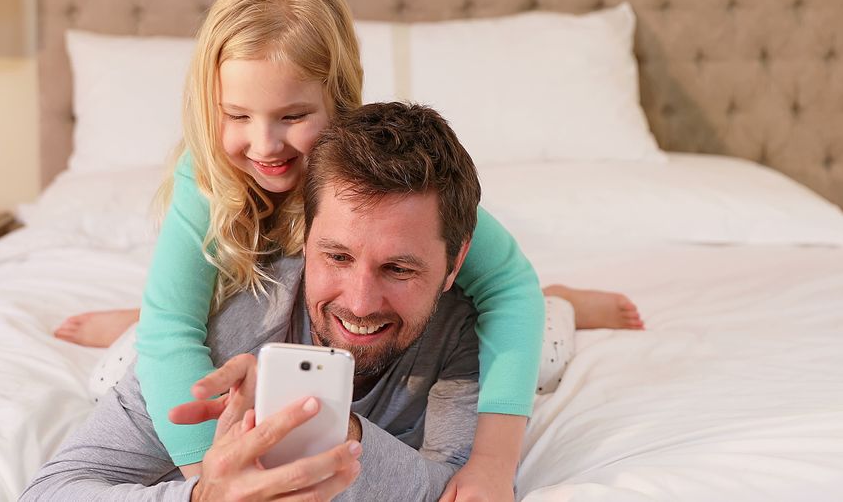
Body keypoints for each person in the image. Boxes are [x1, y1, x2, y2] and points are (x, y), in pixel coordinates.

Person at [52, 0, 643, 500]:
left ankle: (560, 302)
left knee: (530, 337)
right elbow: (170, 332)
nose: (265, 146)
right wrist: (213, 476)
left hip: (452, 294)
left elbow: (508, 285)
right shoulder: (208, 179)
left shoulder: (386, 187)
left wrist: (493, 461)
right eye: (237, 116)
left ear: (338, 103)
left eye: (292, 116)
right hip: (241, 288)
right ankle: (131, 315)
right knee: (159, 334)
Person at [25, 103, 506, 500]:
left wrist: (344, 433)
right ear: (304, 237)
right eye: (336, 256)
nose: (360, 302)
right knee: (130, 351)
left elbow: (462, 487)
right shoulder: (226, 334)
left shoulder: (471, 332)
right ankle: (133, 321)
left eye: (399, 269)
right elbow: (49, 492)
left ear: (455, 263)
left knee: (551, 324)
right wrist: (200, 497)